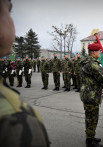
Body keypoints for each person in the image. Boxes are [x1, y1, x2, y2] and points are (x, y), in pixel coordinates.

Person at [0, 0, 50, 146]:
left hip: (30, 70)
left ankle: (27, 83)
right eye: (8, 12)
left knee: (27, 78)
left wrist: (24, 66)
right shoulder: (14, 114)